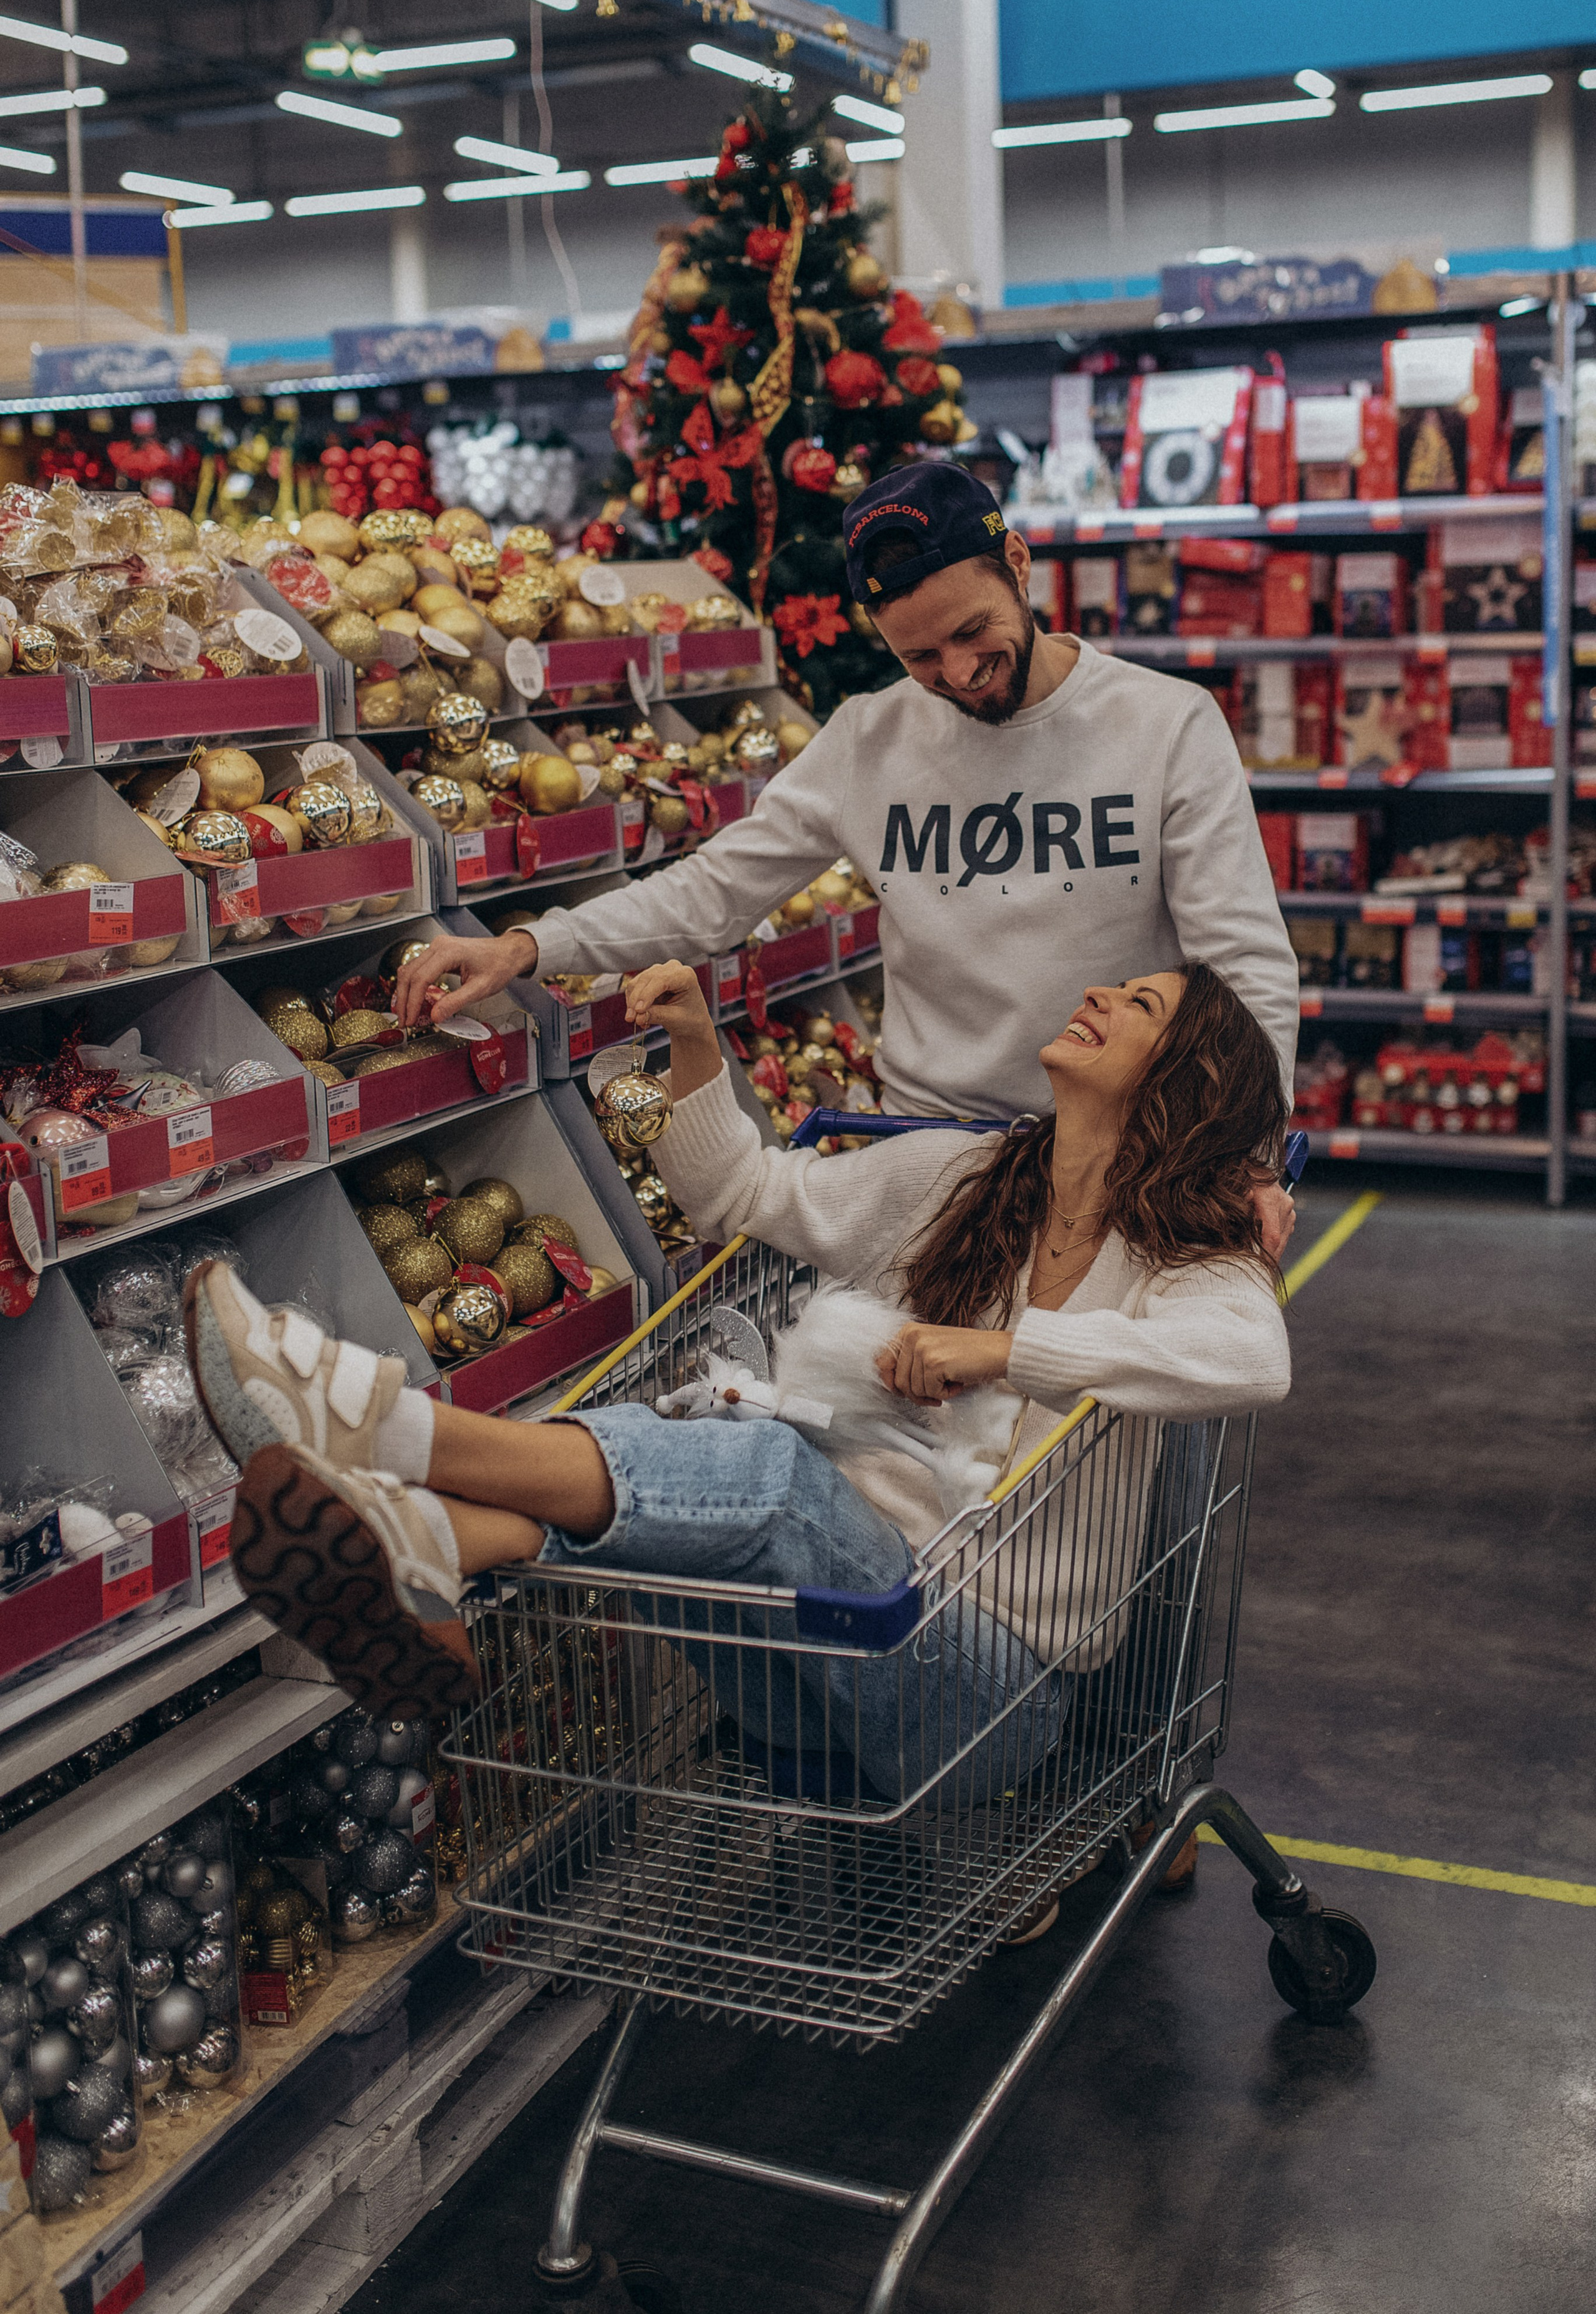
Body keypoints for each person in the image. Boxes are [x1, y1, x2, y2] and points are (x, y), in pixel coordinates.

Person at [186, 956, 1290, 1843]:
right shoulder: (965, 1178)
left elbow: (1251, 1360)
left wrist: (1003, 1349)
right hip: (798, 1660)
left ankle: (375, 1428)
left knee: (770, 1476)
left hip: (978, 1697)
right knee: (722, 1450)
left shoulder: (1187, 1259)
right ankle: (420, 1535)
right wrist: (698, 1048)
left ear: (1180, 1083)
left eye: (1138, 1002)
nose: (1093, 991)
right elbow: (746, 1194)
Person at [392, 461, 1300, 1257]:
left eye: (974, 632)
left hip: (1122, 1157)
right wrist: (527, 947)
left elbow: (1244, 961)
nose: (957, 672)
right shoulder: (871, 739)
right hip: (931, 1166)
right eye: (920, 655)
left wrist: (1249, 1156)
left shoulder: (1167, 725)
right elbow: (716, 891)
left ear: (1018, 565)